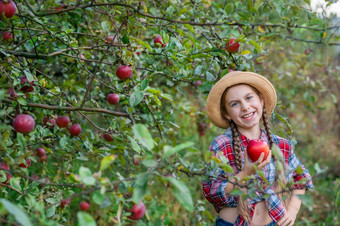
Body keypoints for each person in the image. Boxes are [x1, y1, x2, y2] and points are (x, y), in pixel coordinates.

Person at [202, 71, 314, 226]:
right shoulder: (221, 145)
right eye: (235, 104)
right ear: (227, 114)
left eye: (249, 98)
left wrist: (292, 210)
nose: (245, 107)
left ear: (261, 100)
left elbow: (301, 178)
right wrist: (245, 173)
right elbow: (211, 191)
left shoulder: (279, 145)